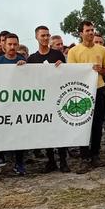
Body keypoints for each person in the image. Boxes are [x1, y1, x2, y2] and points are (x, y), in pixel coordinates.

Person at [67, 21, 105, 171]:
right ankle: (84, 157)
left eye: (92, 30)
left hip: (99, 89)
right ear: (81, 33)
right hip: (81, 92)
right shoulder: (73, 52)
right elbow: (72, 72)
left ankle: (95, 155)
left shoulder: (103, 50)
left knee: (98, 124)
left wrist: (101, 70)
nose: (91, 33)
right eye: (88, 30)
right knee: (83, 124)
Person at [27, 25, 69, 173]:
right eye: (42, 35)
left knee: (60, 129)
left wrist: (63, 66)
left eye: (47, 35)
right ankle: (51, 160)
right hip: (42, 100)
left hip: (57, 97)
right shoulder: (32, 59)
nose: (45, 38)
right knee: (47, 131)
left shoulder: (57, 55)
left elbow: (66, 73)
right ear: (36, 37)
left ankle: (63, 161)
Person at [0, 33, 28, 175]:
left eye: (15, 44)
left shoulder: (23, 60)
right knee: (1, 132)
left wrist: (25, 67)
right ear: (3, 45)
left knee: (19, 134)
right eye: (9, 44)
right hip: (2, 104)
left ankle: (19, 163)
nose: (12, 47)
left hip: (19, 104)